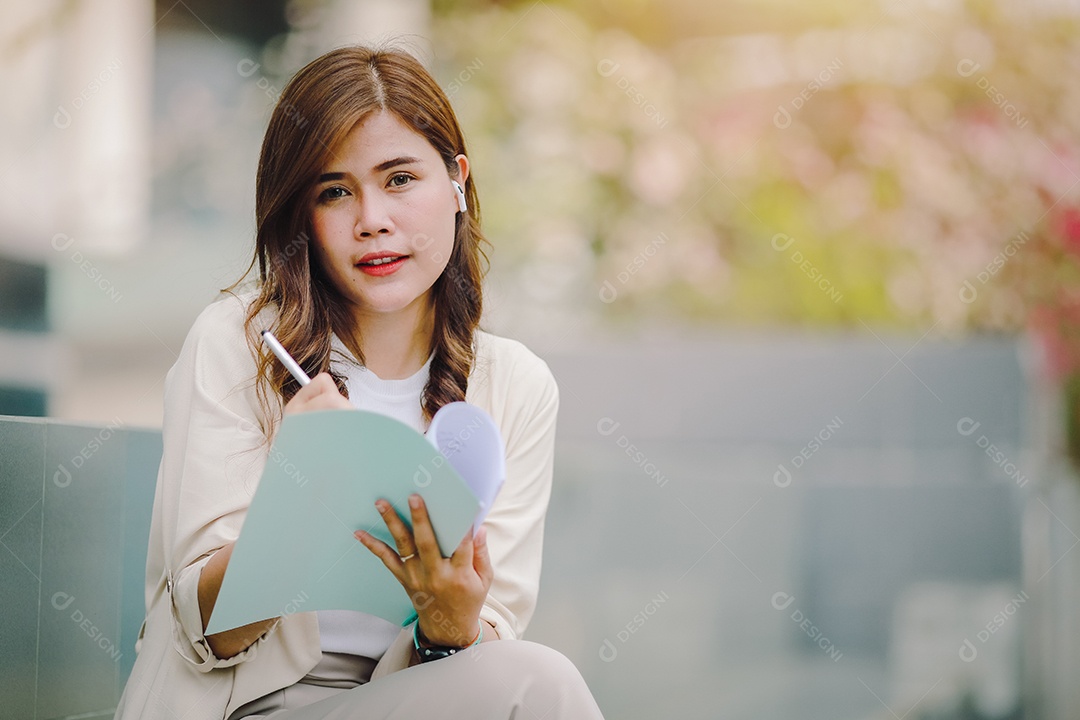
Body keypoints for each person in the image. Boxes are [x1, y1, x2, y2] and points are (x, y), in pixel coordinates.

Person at [114, 45, 605, 720]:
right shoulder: (237, 343)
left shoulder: (515, 384)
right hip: (242, 706)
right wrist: (296, 490)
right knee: (541, 683)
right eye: (335, 191)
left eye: (400, 179)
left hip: (410, 698)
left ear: (457, 181)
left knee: (529, 674)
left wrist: (450, 623)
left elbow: (490, 644)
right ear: (303, 217)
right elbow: (207, 633)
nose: (371, 218)